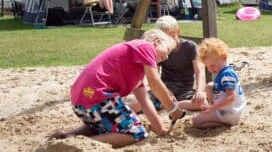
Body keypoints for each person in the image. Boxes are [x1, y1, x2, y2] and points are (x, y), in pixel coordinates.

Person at [49, 29, 185, 148]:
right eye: (167, 51)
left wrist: (160, 128)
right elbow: (155, 82)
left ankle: (68, 136)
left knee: (103, 127)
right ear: (156, 42)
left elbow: (145, 101)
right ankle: (76, 145)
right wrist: (173, 109)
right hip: (98, 97)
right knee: (137, 133)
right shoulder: (146, 47)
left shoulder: (136, 69)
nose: (166, 57)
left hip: (82, 101)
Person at [129, 16, 208, 113]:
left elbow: (199, 72)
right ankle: (165, 104)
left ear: (178, 31)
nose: (169, 40)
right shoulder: (160, 50)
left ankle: (163, 106)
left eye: (171, 35)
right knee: (138, 103)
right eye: (165, 38)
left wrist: (200, 90)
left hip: (184, 89)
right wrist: (166, 92)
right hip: (165, 86)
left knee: (202, 103)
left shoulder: (190, 46)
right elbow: (154, 77)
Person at [192, 38, 247, 128]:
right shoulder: (223, 71)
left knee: (196, 121)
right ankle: (215, 111)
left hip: (230, 112)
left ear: (224, 58)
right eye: (207, 67)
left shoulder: (227, 74)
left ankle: (225, 123)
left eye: (213, 65)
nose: (210, 70)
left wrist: (213, 108)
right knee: (209, 86)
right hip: (227, 109)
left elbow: (231, 98)